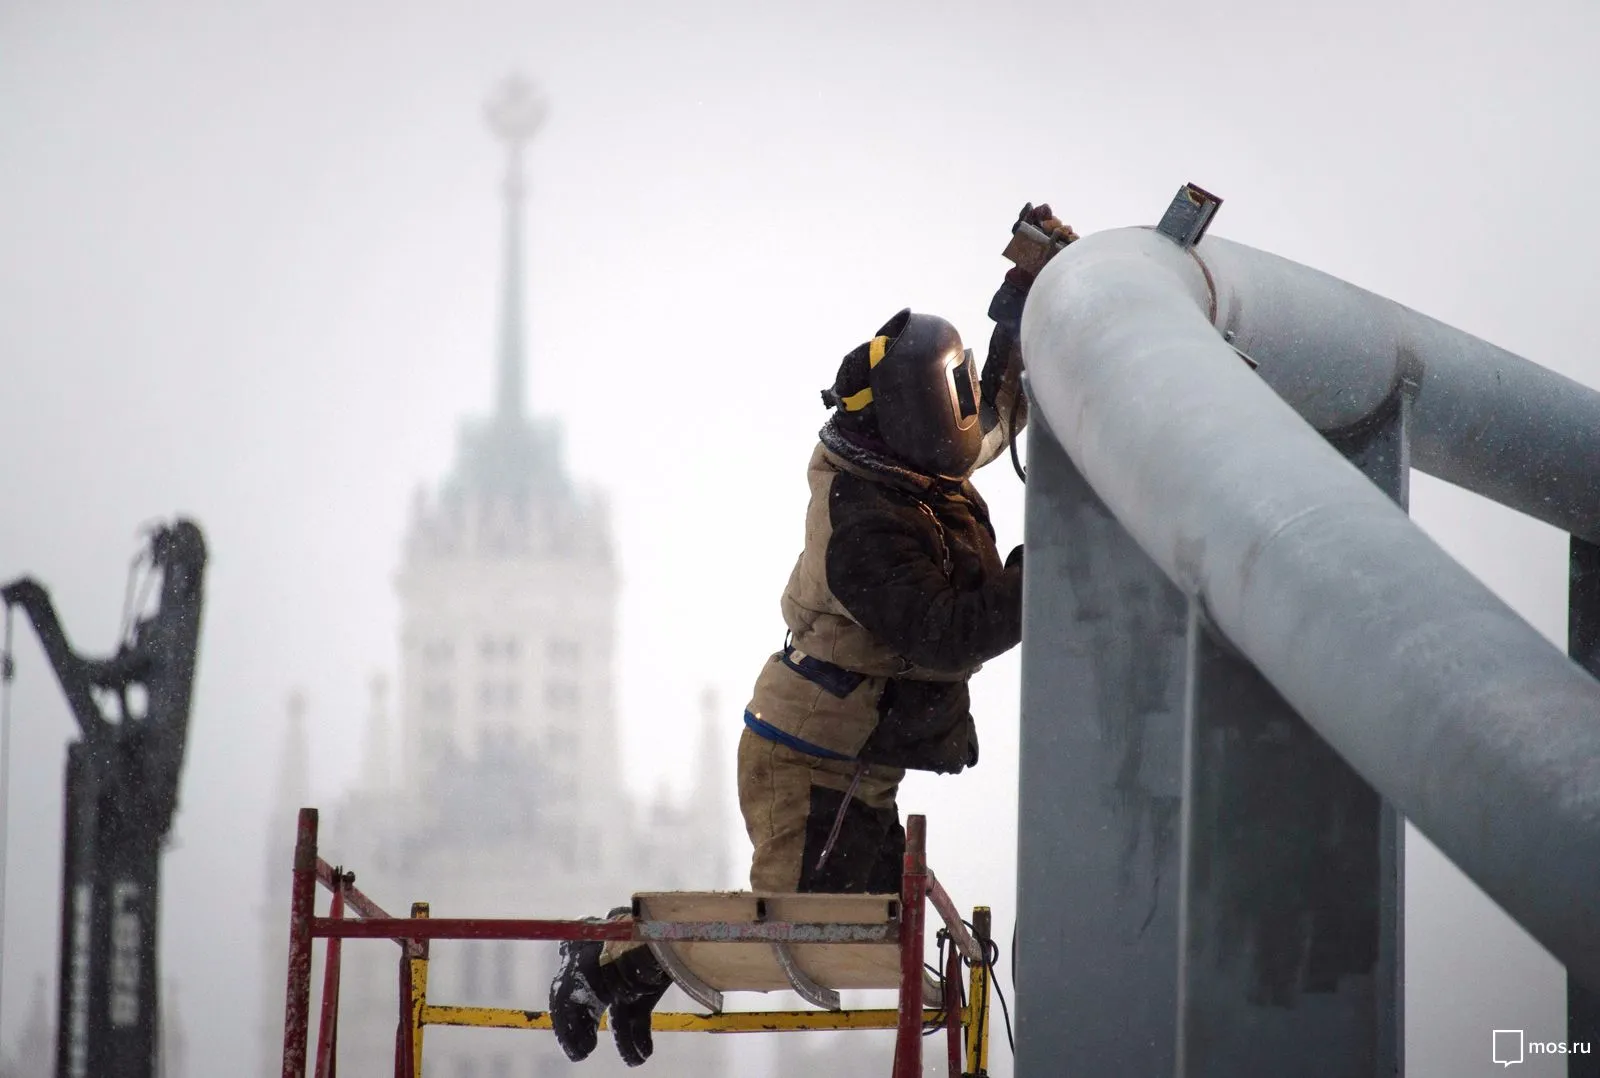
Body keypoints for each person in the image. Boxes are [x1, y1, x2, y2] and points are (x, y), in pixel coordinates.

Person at [549, 203, 1075, 1068]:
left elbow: (990, 418)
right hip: (804, 756)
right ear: (894, 431)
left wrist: (1021, 303)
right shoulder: (861, 529)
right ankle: (601, 959)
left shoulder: (913, 456)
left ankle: (631, 975)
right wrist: (1047, 571)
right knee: (788, 926)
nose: (960, 444)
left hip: (856, 759)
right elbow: (945, 635)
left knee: (853, 924)